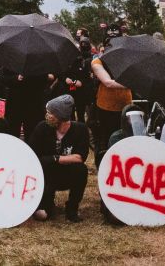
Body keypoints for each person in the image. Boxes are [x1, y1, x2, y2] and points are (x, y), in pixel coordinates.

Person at [29, 95, 89, 223]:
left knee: (81, 170)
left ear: (60, 116)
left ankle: (72, 208)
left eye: (51, 113)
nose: (47, 115)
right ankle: (46, 204)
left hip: (67, 173)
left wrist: (55, 158)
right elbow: (33, 158)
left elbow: (80, 157)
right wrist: (60, 159)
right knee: (42, 215)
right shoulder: (42, 128)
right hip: (46, 175)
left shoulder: (80, 129)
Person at [89, 48, 132, 169]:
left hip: (126, 106)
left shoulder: (126, 61)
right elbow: (108, 82)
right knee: (105, 140)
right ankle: (105, 168)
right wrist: (133, 83)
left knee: (125, 139)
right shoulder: (97, 61)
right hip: (105, 108)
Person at [58, 35, 94, 123]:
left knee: (80, 113)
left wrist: (81, 82)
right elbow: (60, 73)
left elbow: (88, 77)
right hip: (68, 91)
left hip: (81, 92)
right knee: (69, 114)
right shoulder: (66, 59)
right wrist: (65, 79)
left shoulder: (85, 60)